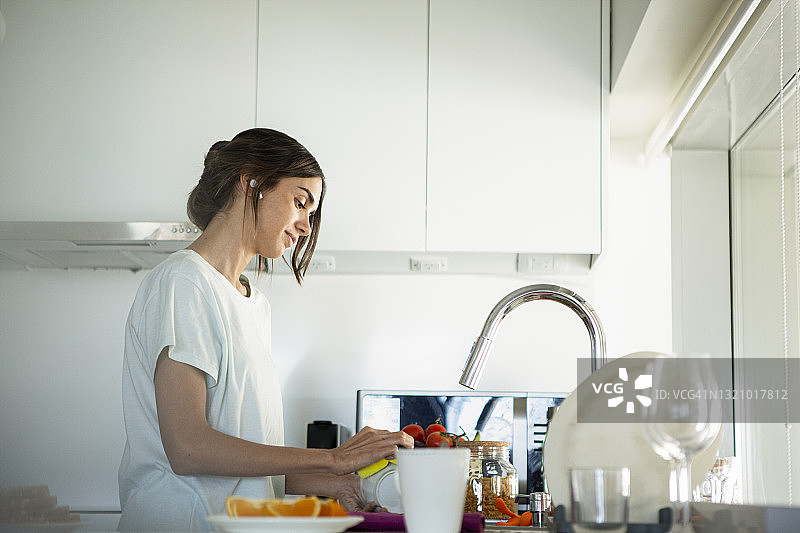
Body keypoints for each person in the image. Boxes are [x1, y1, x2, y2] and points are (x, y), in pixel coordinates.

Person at [117, 128, 413, 532]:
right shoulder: (184, 282)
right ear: (250, 180)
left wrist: (338, 484)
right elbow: (188, 449)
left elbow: (244, 461)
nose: (306, 226)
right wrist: (332, 457)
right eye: (299, 202)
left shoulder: (254, 305)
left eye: (311, 212)